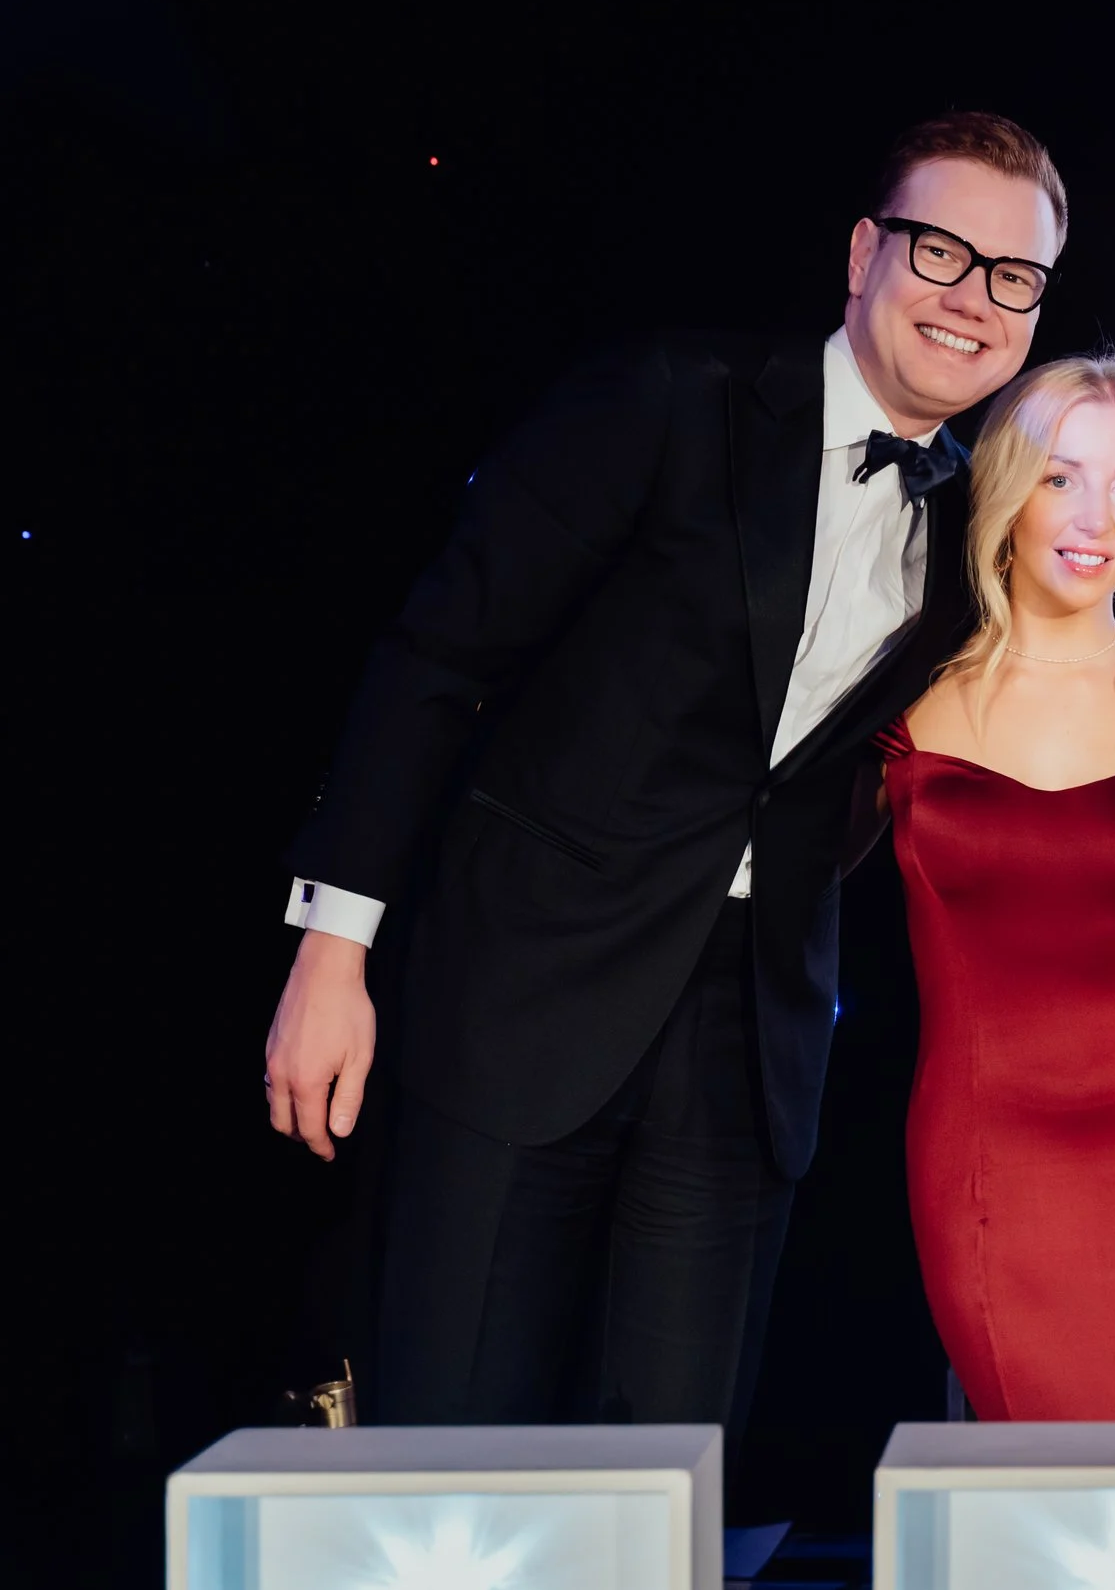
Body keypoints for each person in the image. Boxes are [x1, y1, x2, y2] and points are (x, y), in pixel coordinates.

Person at [259, 112, 1067, 1429]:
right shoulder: (672, 399)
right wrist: (334, 945)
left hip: (749, 1043)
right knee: (450, 1438)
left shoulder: (981, 524)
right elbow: (438, 654)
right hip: (524, 991)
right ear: (863, 253)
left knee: (673, 1470)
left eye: (1012, 275)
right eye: (940, 250)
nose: (971, 297)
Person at [874, 355, 1115, 1421]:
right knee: (1033, 1479)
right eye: (1062, 477)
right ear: (1007, 490)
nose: (1096, 517)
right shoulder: (901, 703)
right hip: (987, 1166)